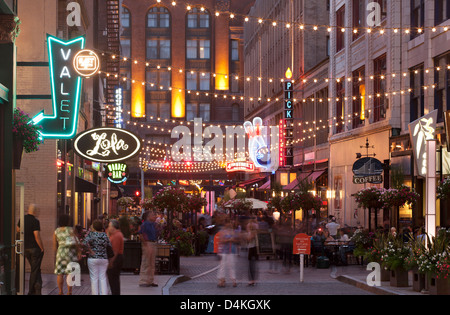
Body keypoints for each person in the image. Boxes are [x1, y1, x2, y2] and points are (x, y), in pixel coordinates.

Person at [17, 204, 44, 295]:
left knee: (36, 269)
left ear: (28, 210)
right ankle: (31, 291)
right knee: (35, 270)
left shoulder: (22, 219)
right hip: (34, 249)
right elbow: (37, 236)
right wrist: (42, 247)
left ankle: (37, 289)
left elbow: (18, 230)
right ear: (35, 211)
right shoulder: (35, 221)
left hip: (25, 248)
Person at [53, 214, 81, 295]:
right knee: (70, 273)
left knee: (60, 273)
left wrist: (57, 254)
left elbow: (54, 245)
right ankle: (69, 292)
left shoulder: (56, 231)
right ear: (68, 221)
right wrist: (79, 252)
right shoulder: (71, 230)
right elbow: (76, 242)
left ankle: (60, 291)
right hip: (70, 253)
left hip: (60, 253)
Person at [83, 220, 112, 295]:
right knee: (103, 277)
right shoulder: (104, 235)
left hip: (93, 258)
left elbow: (83, 243)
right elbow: (109, 245)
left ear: (94, 227)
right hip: (104, 258)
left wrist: (90, 250)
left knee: (94, 278)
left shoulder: (91, 234)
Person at [138, 211, 159, 287]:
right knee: (146, 262)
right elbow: (141, 234)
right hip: (148, 243)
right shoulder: (145, 224)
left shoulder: (153, 224)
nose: (155, 216)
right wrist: (146, 244)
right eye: (153, 215)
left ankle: (150, 280)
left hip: (152, 243)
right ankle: (143, 281)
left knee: (152, 263)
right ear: (148, 216)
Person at [217, 220, 238, 287]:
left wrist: (231, 239)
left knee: (231, 266)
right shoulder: (223, 232)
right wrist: (229, 240)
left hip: (231, 251)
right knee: (223, 266)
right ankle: (222, 280)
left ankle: (233, 280)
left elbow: (235, 240)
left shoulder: (232, 232)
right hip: (224, 251)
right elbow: (222, 240)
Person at [107, 219, 124, 295]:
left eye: (109, 226)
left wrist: (111, 261)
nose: (108, 228)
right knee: (113, 278)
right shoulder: (114, 235)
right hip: (115, 257)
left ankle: (115, 293)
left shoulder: (117, 235)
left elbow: (115, 250)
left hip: (116, 258)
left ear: (113, 227)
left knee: (113, 278)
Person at [246, 218, 259, 286]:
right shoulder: (256, 228)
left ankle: (252, 280)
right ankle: (253, 279)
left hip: (252, 248)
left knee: (251, 264)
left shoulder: (251, 232)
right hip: (254, 248)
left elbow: (249, 239)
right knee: (253, 264)